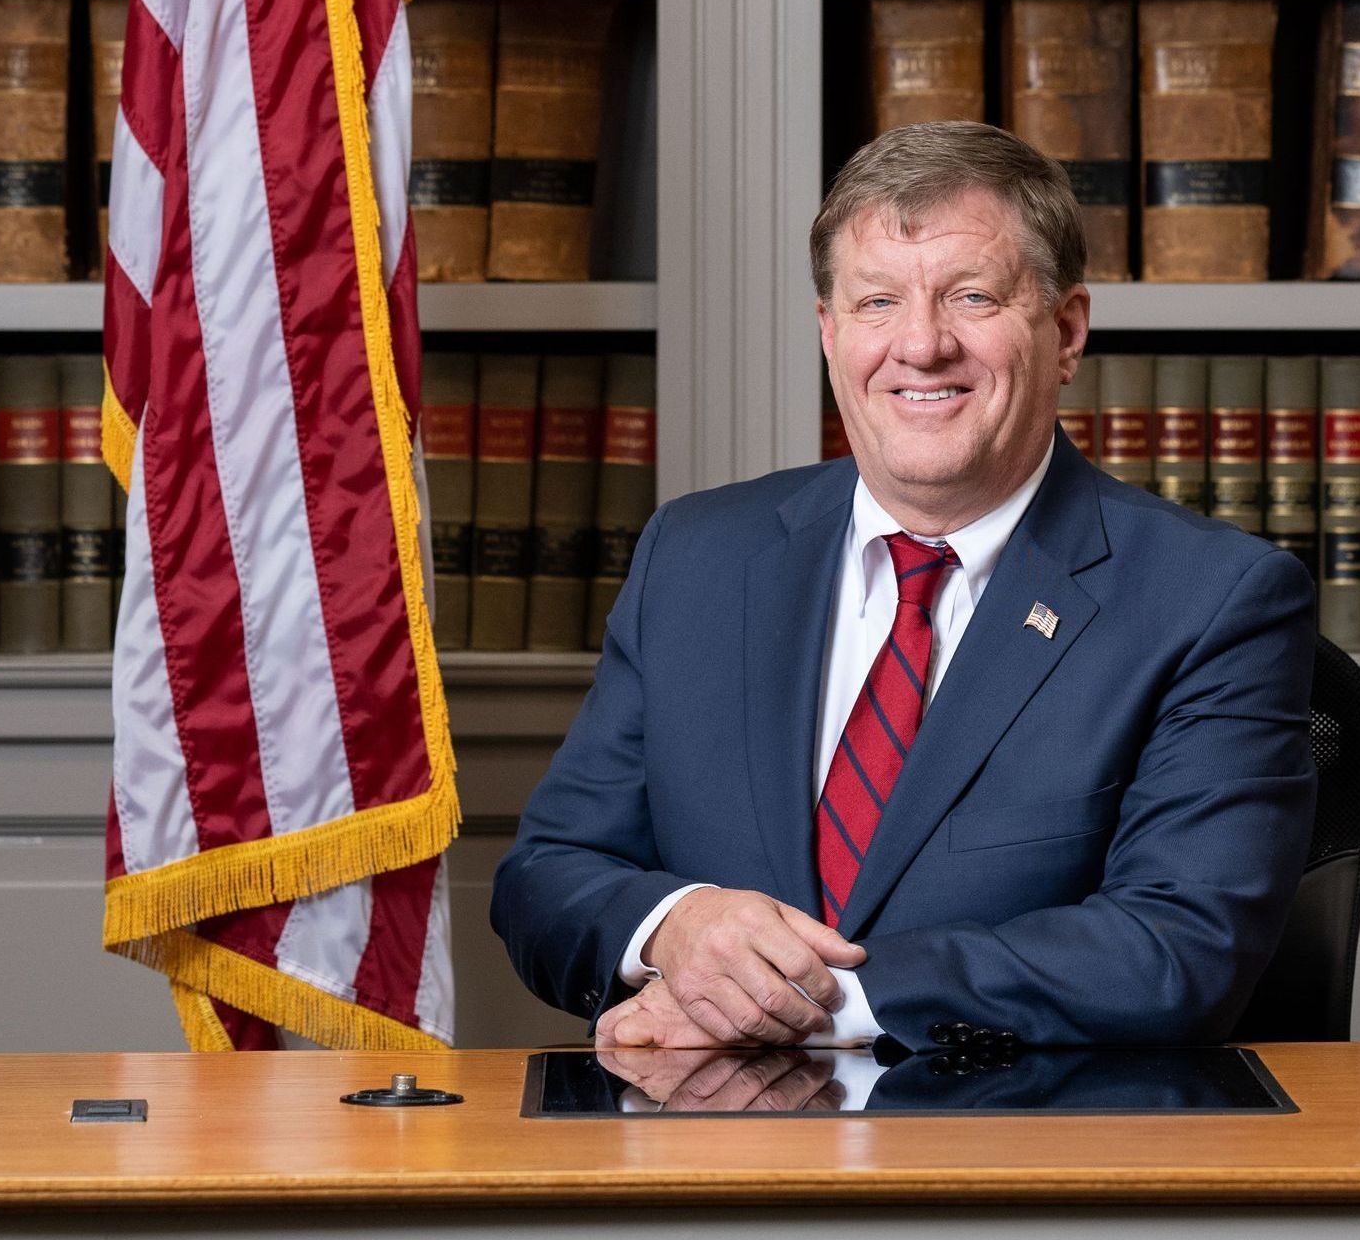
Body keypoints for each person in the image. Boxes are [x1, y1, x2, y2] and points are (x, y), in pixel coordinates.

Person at [491, 121, 1318, 1052]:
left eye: (971, 297)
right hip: (713, 1162)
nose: (920, 347)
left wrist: (804, 1003)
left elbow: (1178, 948)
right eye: (878, 302)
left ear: (1067, 330)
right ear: (829, 333)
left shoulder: (1212, 601)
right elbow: (546, 881)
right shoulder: (697, 558)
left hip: (1018, 1165)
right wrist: (675, 928)